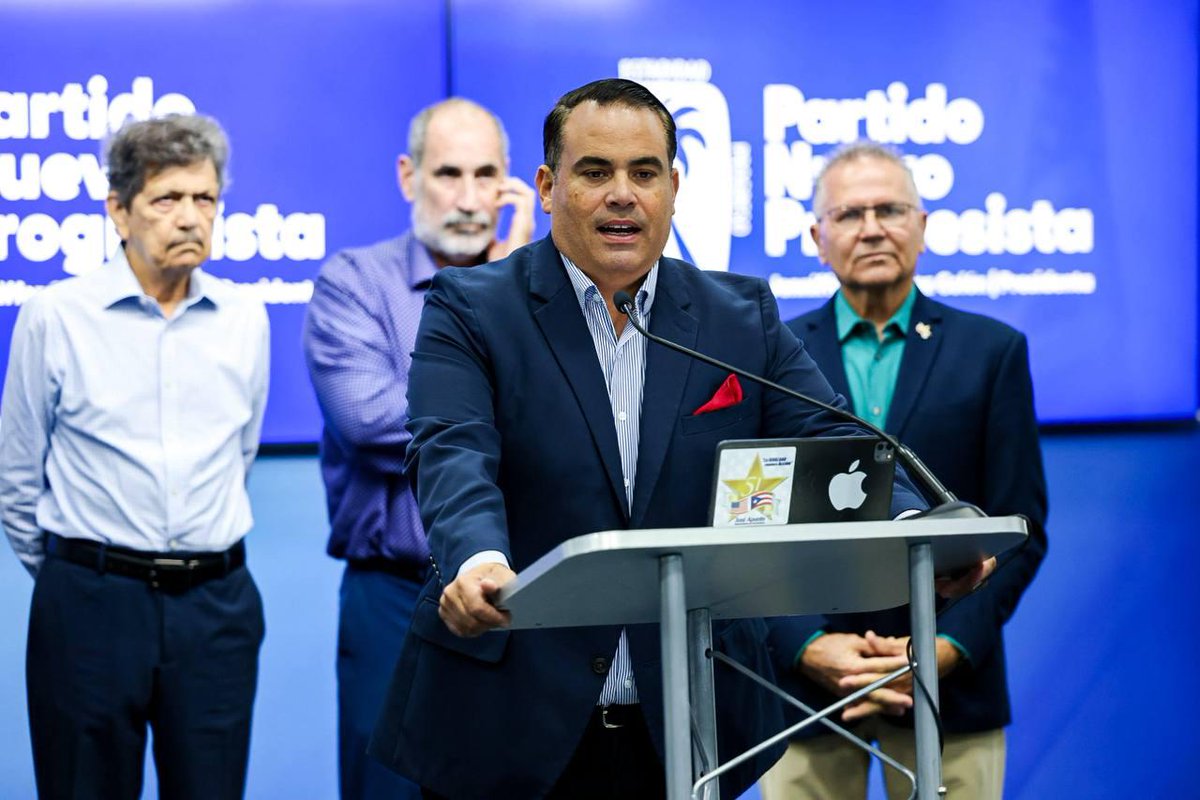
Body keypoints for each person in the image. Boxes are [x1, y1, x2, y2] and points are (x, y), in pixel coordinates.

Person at [365, 78, 992, 799]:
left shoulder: (737, 315)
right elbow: (452, 449)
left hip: (687, 725)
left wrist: (913, 528)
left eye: (644, 172)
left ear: (674, 186)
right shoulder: (472, 307)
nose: (622, 194)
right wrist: (476, 557)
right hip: (512, 719)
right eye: (595, 172)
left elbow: (830, 438)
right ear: (546, 185)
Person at [760, 141, 1048, 800]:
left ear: (922, 226)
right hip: (807, 692)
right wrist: (804, 646)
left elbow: (1022, 528)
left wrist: (944, 651)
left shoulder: (992, 352)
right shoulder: (770, 353)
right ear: (817, 236)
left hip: (953, 694)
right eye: (850, 213)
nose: (871, 228)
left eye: (890, 209)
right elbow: (745, 527)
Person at [0, 114, 270, 800]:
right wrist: (85, 573)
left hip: (216, 607)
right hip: (90, 605)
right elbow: (16, 476)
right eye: (166, 199)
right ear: (118, 211)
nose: (189, 218)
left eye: (204, 199)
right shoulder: (54, 316)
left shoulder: (246, 318)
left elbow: (239, 455)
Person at [302, 97, 534, 800]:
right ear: (409, 177)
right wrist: (503, 338)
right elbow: (370, 423)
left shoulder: (545, 286)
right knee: (387, 789)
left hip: (511, 593)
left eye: (486, 175)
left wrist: (516, 286)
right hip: (395, 594)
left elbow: (568, 423)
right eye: (448, 174)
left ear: (513, 183)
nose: (469, 200)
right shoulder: (353, 283)